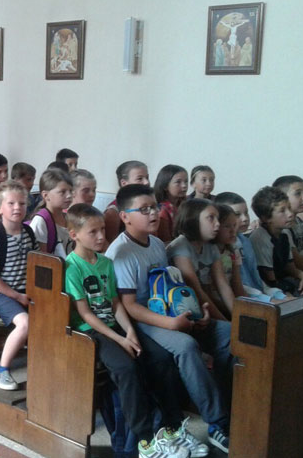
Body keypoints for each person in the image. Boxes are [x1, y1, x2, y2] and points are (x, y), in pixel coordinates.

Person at [65, 204, 203, 458]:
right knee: (126, 368)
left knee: (161, 357)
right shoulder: (71, 267)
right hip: (91, 333)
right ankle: (145, 441)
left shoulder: (105, 263)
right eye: (93, 232)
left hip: (116, 325)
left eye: (103, 229)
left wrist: (129, 331)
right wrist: (120, 339)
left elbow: (116, 304)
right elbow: (85, 314)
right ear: (74, 235)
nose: (101, 236)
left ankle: (171, 427)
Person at [104, 184, 233, 454]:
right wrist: (172, 324)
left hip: (166, 309)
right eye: (144, 209)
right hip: (142, 319)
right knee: (185, 345)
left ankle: (228, 403)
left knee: (228, 334)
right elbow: (129, 306)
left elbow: (169, 287)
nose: (153, 213)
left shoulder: (155, 244)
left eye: (154, 207)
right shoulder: (121, 253)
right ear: (125, 216)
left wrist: (195, 312)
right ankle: (216, 422)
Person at [0, 180, 38, 391]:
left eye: (21, 203)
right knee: (25, 323)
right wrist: (16, 296)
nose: (17, 208)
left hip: (24, 289)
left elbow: (35, 264)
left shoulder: (28, 233)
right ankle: (1, 370)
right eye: (11, 203)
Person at [214, 191, 288, 301]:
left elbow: (255, 275)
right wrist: (266, 298)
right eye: (237, 214)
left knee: (289, 299)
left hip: (258, 290)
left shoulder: (245, 241)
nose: (245, 218)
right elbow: (238, 285)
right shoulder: (221, 249)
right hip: (244, 295)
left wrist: (271, 292)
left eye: (246, 213)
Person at [166, 199, 232, 320]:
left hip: (205, 302)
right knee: (227, 328)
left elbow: (223, 285)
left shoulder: (210, 246)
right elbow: (196, 290)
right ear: (193, 219)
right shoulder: (180, 247)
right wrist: (227, 323)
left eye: (217, 218)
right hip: (185, 308)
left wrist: (238, 317)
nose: (218, 223)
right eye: (211, 218)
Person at [249, 186, 303, 296]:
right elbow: (269, 279)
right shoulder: (260, 238)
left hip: (284, 281)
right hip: (267, 288)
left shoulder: (285, 233)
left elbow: (289, 266)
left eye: (289, 208)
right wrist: (287, 294)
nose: (290, 214)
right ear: (266, 218)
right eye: (282, 211)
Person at [272, 175, 303, 278]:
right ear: (282, 198)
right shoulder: (282, 229)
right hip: (300, 278)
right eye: (298, 194)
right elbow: (297, 262)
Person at [29, 169, 73, 257]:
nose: (69, 195)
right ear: (46, 195)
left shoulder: (68, 217)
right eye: (62, 192)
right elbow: (42, 259)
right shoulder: (41, 221)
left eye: (71, 191)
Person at [104, 160, 150, 244]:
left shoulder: (149, 205)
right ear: (124, 183)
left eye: (147, 177)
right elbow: (111, 245)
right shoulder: (113, 212)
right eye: (140, 179)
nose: (146, 182)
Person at [154, 165, 188, 243]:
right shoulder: (162, 210)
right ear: (165, 186)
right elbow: (166, 241)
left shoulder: (185, 203)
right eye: (178, 182)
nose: (184, 186)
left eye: (186, 181)